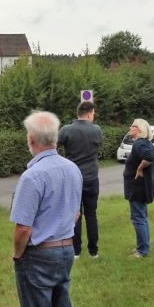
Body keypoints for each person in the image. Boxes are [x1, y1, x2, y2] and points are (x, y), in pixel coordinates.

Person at [10, 111, 83, 307]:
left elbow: (23, 228)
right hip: (65, 249)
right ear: (54, 138)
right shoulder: (73, 169)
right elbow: (76, 213)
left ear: (31, 139)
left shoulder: (32, 176)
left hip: (39, 255)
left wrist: (18, 255)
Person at [57, 100, 103, 259]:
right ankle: (93, 251)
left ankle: (76, 251)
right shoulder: (97, 130)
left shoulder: (66, 130)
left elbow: (52, 146)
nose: (93, 117)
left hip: (73, 178)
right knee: (91, 214)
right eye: (93, 114)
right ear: (89, 114)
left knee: (75, 214)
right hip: (91, 178)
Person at [122, 118, 154, 258]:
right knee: (142, 218)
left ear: (139, 129)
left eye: (133, 126)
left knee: (138, 219)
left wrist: (140, 168)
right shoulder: (146, 143)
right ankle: (143, 247)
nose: (130, 127)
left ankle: (142, 251)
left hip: (137, 188)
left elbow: (150, 156)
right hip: (142, 187)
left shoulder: (139, 144)